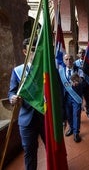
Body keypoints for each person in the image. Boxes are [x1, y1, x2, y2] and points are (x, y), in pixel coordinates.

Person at [8, 38, 45, 169]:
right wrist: (13, 98)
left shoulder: (45, 69)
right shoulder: (18, 71)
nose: (36, 53)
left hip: (45, 116)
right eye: (32, 50)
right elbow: (11, 92)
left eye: (38, 50)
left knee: (52, 148)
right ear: (25, 51)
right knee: (29, 152)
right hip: (26, 119)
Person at [59, 54, 84, 143]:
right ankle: (71, 128)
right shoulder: (60, 71)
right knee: (68, 114)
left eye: (70, 59)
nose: (68, 61)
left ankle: (76, 133)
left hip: (76, 96)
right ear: (64, 60)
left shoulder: (78, 70)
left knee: (76, 114)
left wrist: (78, 83)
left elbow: (82, 79)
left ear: (73, 60)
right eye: (66, 59)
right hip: (66, 97)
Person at [74, 48, 89, 119]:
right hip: (79, 85)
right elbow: (73, 73)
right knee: (78, 100)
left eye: (83, 53)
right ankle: (77, 115)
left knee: (88, 99)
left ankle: (88, 113)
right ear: (78, 54)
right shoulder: (75, 63)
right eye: (80, 53)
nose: (82, 54)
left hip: (87, 84)